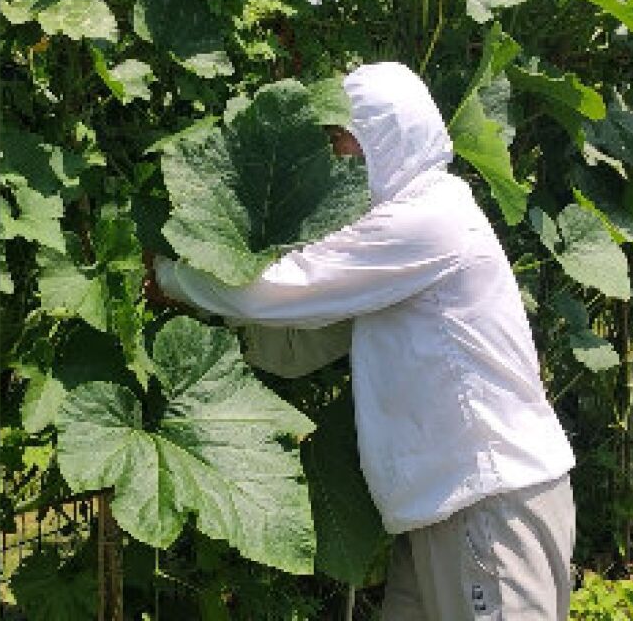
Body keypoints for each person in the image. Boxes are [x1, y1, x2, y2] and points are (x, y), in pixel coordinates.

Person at [142, 61, 577, 620]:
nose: (334, 159)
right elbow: (300, 347)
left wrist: (172, 277)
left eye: (342, 139)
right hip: (440, 509)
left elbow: (279, 289)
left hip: (488, 503)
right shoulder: (398, 243)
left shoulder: (430, 217)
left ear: (384, 136)